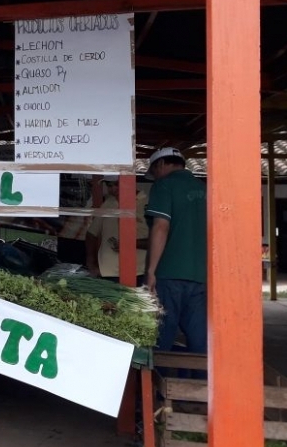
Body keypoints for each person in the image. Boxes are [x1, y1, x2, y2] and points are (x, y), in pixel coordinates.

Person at [144, 147, 208, 354]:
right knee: (199, 338)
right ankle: (198, 375)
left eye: (154, 172)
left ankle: (160, 374)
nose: (154, 177)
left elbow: (161, 227)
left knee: (162, 335)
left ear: (161, 164)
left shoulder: (164, 185)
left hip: (169, 272)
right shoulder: (204, 188)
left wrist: (151, 271)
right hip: (200, 274)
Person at [85, 180, 149, 283]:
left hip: (139, 272)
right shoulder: (109, 202)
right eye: (109, 185)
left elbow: (158, 240)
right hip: (107, 272)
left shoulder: (146, 203)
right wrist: (91, 264)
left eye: (117, 184)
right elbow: (92, 234)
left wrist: (130, 244)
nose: (113, 189)